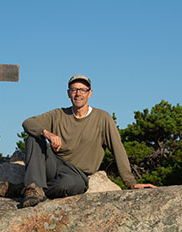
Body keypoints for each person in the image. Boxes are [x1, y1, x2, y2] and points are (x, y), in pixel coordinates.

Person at [18, 74, 156, 207]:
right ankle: (34, 188)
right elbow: (28, 122)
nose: (78, 94)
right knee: (34, 137)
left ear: (89, 93)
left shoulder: (103, 118)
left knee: (70, 185)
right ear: (68, 93)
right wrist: (46, 133)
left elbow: (117, 149)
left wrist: (130, 182)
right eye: (74, 90)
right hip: (54, 164)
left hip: (76, 174)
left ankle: (24, 190)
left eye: (83, 90)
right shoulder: (58, 114)